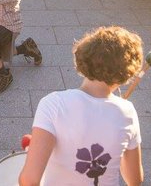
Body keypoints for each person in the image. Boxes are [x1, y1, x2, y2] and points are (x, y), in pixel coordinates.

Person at [19, 26, 144, 186]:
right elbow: (134, 180)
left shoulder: (53, 104)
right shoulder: (127, 112)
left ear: (83, 59)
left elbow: (29, 180)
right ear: (126, 74)